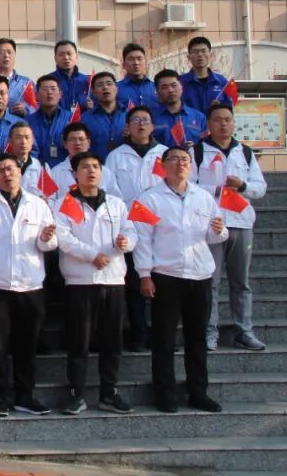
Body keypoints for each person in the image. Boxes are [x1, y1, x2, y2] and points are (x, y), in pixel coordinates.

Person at [137, 145, 229, 414]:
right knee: (164, 339)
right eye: (174, 159)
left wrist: (219, 231)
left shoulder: (203, 197)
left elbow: (215, 235)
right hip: (166, 275)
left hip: (199, 274)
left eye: (185, 160)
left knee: (197, 337)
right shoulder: (149, 198)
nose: (180, 164)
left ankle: (198, 392)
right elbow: (143, 240)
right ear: (163, 165)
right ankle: (165, 394)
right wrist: (144, 274)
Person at [0, 152, 58, 417]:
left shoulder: (38, 204)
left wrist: (46, 238)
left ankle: (25, 395)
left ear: (20, 171)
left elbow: (49, 244)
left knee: (27, 345)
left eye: (11, 169)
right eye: (0, 171)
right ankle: (0, 397)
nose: (7, 174)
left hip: (31, 285)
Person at [55, 152, 137, 416]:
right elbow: (63, 238)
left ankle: (109, 392)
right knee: (79, 341)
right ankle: (76, 393)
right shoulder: (65, 204)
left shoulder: (116, 203)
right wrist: (92, 255)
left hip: (113, 280)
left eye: (95, 166)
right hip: (80, 281)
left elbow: (131, 230)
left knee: (112, 341)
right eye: (84, 167)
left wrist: (126, 242)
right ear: (75, 174)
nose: (91, 171)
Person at [194, 104, 268, 352]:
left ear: (234, 123)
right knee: (210, 282)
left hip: (241, 223)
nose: (223, 124)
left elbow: (260, 187)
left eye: (227, 119)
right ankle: (208, 332)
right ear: (209, 124)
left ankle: (244, 331)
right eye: (217, 120)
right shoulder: (197, 151)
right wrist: (216, 189)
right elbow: (188, 186)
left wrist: (243, 186)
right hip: (210, 225)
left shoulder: (244, 152)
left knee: (241, 282)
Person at [105, 105, 167, 353]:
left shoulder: (164, 154)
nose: (141, 124)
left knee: (163, 284)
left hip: (161, 227)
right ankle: (139, 334)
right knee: (133, 284)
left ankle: (163, 336)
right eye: (136, 120)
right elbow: (111, 192)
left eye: (145, 120)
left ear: (152, 126)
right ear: (127, 127)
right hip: (130, 225)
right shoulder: (116, 156)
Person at [49, 123, 122, 204]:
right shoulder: (55, 173)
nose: (77, 143)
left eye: (81, 139)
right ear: (65, 144)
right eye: (72, 139)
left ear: (89, 142)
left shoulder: (105, 172)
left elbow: (115, 200)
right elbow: (50, 201)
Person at [25, 75, 72, 167]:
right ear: (37, 95)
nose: (49, 92)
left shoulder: (71, 118)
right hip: (38, 169)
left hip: (66, 169)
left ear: (60, 94)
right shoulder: (28, 122)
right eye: (45, 89)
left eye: (53, 89)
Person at [80, 71, 128, 162]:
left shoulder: (129, 114)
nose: (105, 87)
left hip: (125, 165)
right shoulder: (85, 118)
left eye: (109, 83)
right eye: (100, 85)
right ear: (94, 92)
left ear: (116, 89)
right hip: (97, 166)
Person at [153, 69, 206, 148]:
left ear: (181, 87)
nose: (170, 90)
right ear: (157, 91)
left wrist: (195, 148)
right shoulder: (151, 118)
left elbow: (207, 147)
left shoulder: (199, 117)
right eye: (165, 87)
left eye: (174, 85)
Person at [180, 36, 233, 113]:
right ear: (188, 57)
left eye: (204, 51)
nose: (200, 54)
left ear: (210, 55)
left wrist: (220, 107)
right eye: (195, 51)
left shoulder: (222, 82)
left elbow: (231, 109)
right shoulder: (180, 82)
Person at [0, 37, 36, 117]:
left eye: (9, 52)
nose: (6, 55)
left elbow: (37, 106)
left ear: (14, 55)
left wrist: (26, 110)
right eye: (1, 52)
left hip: (19, 123)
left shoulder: (26, 83)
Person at [48, 40, 91, 111]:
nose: (66, 57)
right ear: (55, 58)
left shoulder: (87, 81)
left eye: (69, 54)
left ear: (76, 57)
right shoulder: (48, 81)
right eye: (61, 54)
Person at [117, 43, 158, 110]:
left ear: (145, 62)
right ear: (123, 64)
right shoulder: (115, 89)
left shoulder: (156, 87)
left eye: (139, 59)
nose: (136, 63)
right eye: (131, 59)